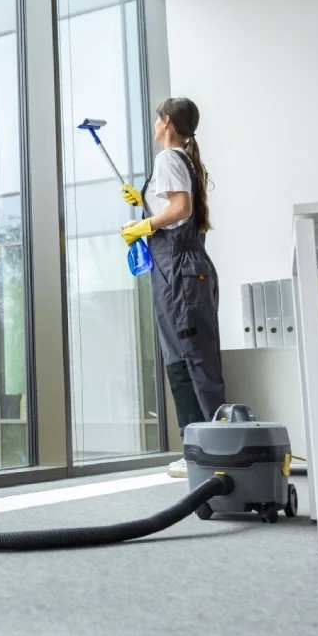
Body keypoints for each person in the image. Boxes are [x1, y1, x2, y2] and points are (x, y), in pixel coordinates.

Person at [119, 97, 225, 479]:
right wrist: (146, 203)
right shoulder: (182, 159)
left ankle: (212, 450)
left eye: (156, 118)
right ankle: (199, 449)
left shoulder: (168, 159)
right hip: (179, 271)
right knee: (181, 360)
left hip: (180, 271)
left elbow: (180, 210)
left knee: (192, 361)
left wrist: (145, 225)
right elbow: (177, 209)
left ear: (165, 122)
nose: (154, 123)